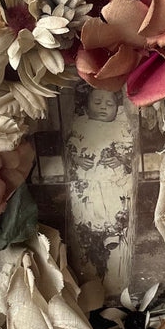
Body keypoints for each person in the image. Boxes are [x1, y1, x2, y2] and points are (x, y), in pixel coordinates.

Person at [66, 88, 135, 297]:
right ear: (86, 105)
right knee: (87, 232)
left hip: (114, 186)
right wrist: (77, 159)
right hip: (89, 186)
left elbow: (131, 150)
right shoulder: (80, 126)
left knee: (116, 231)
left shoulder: (122, 127)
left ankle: (117, 283)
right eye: (98, 102)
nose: (104, 107)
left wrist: (121, 159)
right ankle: (89, 281)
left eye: (110, 103)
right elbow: (70, 147)